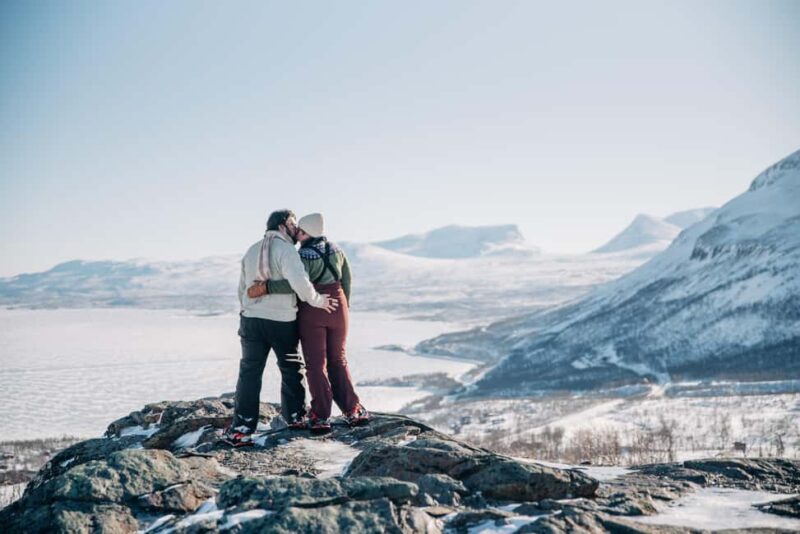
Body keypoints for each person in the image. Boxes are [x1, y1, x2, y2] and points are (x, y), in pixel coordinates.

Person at [248, 213, 369, 433]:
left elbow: (296, 284)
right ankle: (353, 409)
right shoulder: (337, 250)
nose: (297, 234)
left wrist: (266, 287)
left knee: (315, 364)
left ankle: (321, 416)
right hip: (338, 305)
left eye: (300, 231)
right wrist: (344, 306)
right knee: (339, 359)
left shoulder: (303, 255)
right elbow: (347, 279)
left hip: (314, 309)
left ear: (307, 233)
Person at [225, 210, 338, 446]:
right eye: (293, 224)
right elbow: (300, 283)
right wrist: (319, 301)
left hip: (251, 320)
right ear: (283, 225)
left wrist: (247, 310)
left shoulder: (252, 250)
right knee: (291, 367)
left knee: (249, 373)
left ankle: (241, 429)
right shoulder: (286, 250)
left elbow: (242, 289)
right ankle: (295, 417)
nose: (296, 229)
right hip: (282, 321)